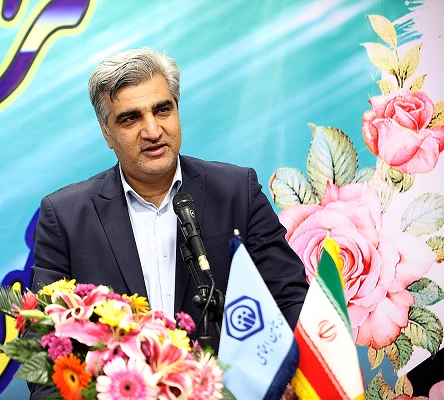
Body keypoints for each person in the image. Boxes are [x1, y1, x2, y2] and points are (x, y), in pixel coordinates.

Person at [29, 46, 308, 398]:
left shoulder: (237, 192)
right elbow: (43, 345)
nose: (152, 130)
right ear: (106, 132)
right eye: (130, 118)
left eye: (163, 110)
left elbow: (291, 300)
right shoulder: (65, 217)